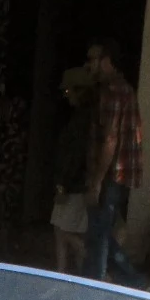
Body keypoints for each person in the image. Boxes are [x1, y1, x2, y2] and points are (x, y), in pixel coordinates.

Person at [83, 39, 147, 288]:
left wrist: (96, 181)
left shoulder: (112, 92)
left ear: (106, 61)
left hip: (111, 174)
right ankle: (132, 279)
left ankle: (95, 285)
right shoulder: (122, 89)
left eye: (92, 59)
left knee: (98, 234)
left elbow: (110, 139)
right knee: (103, 232)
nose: (88, 65)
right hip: (116, 173)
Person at [50, 66, 93, 274]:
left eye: (68, 92)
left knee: (62, 231)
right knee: (70, 231)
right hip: (80, 184)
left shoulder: (80, 122)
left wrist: (62, 185)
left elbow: (74, 157)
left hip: (75, 186)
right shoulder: (84, 118)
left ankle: (66, 274)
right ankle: (73, 274)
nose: (66, 96)